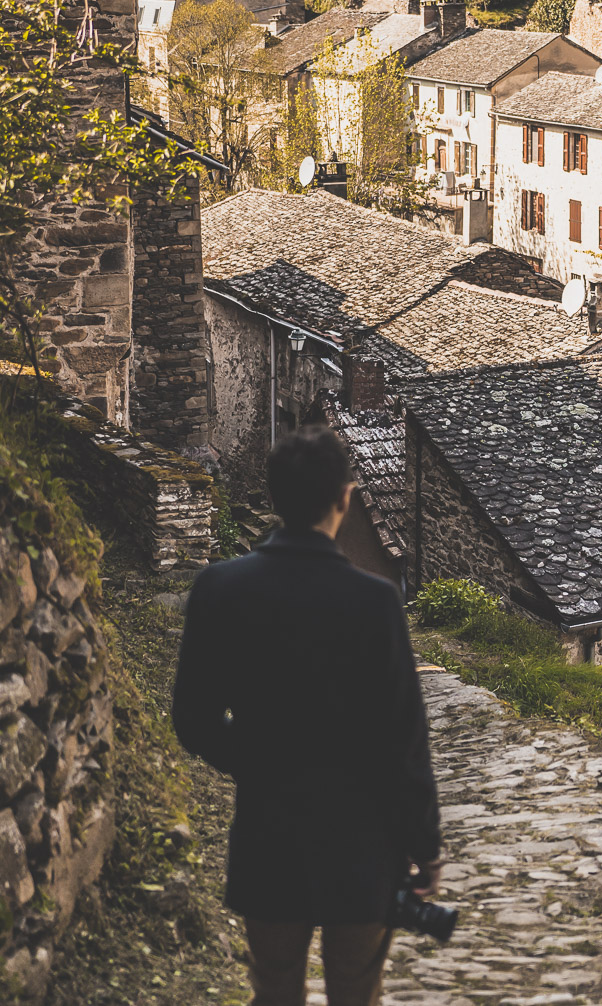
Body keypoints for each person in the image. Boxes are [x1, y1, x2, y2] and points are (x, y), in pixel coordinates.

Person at [172, 426, 442, 1006]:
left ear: (273, 498)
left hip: (269, 836)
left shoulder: (219, 588)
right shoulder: (375, 603)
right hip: (364, 845)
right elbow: (404, 738)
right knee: (354, 991)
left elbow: (192, 719)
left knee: (273, 992)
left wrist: (256, 759)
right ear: (344, 498)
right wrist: (425, 843)